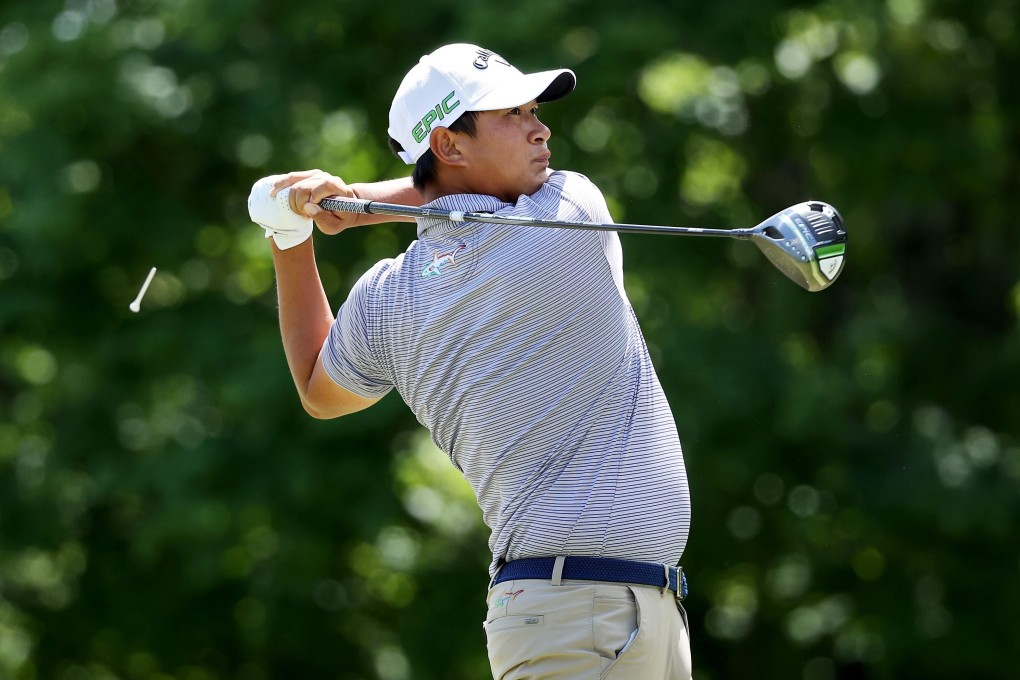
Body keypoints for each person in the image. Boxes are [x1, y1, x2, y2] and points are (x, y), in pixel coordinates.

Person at [251, 43, 693, 679]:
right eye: (512, 113)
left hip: (613, 609)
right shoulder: (566, 216)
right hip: (577, 616)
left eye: (534, 109)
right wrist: (354, 203)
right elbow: (452, 202)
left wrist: (293, 238)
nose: (541, 128)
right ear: (449, 145)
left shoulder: (390, 298)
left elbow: (320, 390)